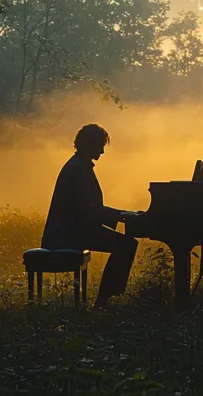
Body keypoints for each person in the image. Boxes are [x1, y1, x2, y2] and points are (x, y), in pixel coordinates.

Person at [41, 123, 139, 308]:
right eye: (100, 145)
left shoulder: (79, 165)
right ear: (91, 144)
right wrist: (121, 215)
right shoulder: (78, 169)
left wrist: (119, 215)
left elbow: (89, 209)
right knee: (126, 244)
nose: (102, 151)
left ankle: (107, 298)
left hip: (72, 230)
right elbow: (89, 209)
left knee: (126, 244)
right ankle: (104, 301)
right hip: (69, 235)